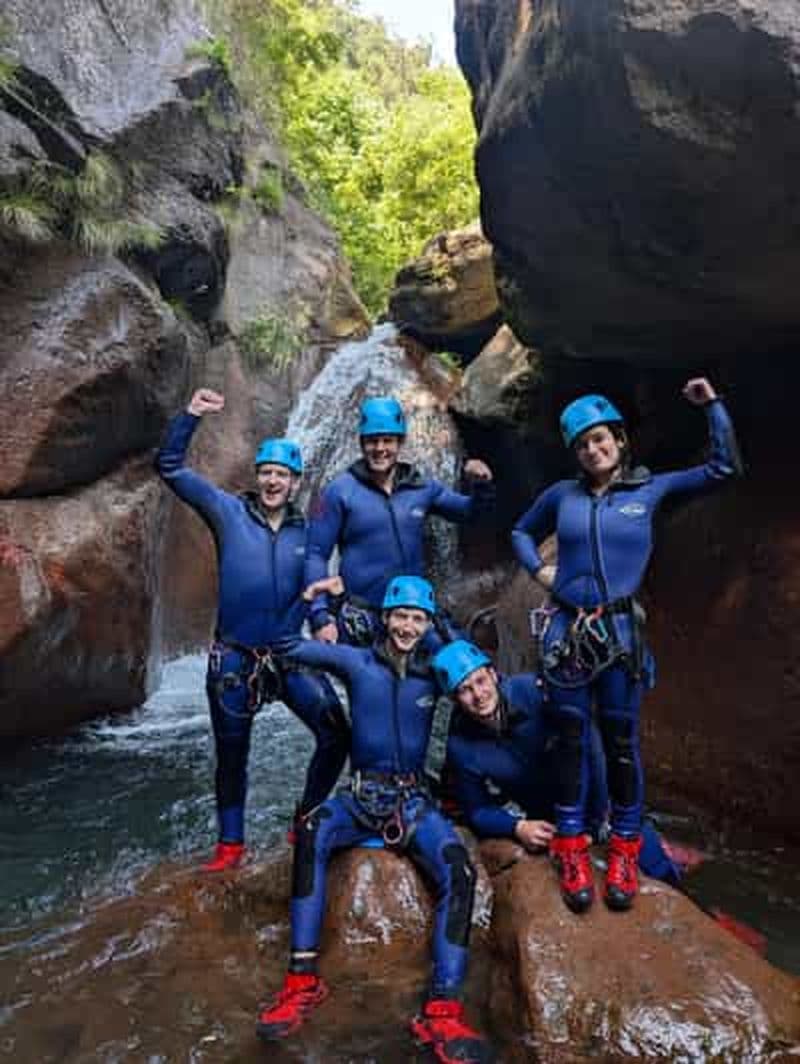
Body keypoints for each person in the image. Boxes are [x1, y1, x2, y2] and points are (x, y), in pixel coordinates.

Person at [511, 379, 741, 912]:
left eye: (601, 439)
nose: (594, 449)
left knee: (620, 742)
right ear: (577, 452)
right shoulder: (561, 496)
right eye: (584, 444)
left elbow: (723, 469)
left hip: (618, 634)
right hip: (568, 630)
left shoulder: (649, 490)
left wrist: (713, 407)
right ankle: (570, 845)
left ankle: (624, 848)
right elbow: (521, 531)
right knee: (569, 737)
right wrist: (540, 571)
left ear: (618, 439)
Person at [256, 577, 491, 1064]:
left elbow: (484, 687)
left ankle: (441, 1010)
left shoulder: (437, 671)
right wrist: (306, 599)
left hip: (413, 803)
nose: (408, 626)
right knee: (311, 830)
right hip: (362, 798)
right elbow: (282, 644)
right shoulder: (355, 661)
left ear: (427, 624)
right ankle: (302, 983)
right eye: (400, 615)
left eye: (418, 618)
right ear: (385, 618)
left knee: (460, 871)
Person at [155, 389, 350, 872]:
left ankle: (304, 816)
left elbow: (314, 584)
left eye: (281, 474)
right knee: (232, 755)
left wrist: (324, 619)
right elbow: (172, 468)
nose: (272, 481)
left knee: (336, 734)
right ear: (256, 477)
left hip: (287, 654)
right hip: (235, 657)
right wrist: (191, 416)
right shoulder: (227, 512)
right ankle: (230, 847)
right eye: (266, 472)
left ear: (295, 481)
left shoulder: (309, 533)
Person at [433, 640, 681, 887]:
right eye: (465, 690)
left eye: (480, 681)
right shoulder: (461, 745)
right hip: (550, 818)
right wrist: (517, 827)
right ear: (455, 699)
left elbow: (590, 746)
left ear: (492, 674)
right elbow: (476, 810)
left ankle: (677, 874)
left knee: (656, 865)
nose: (478, 695)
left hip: (600, 799)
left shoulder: (532, 692)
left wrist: (594, 822)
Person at [304, 395, 494, 647]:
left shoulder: (421, 487)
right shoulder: (340, 491)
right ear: (361, 443)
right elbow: (315, 554)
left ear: (400, 442)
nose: (380, 448)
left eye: (388, 440)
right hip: (362, 615)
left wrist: (481, 486)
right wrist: (320, 616)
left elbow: (469, 513)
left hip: (412, 616)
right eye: (372, 441)